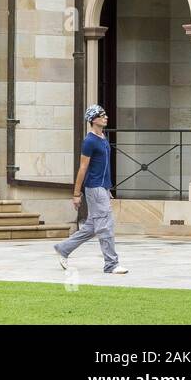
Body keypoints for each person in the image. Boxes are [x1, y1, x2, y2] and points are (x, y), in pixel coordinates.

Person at [55, 105, 127, 274]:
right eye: (102, 115)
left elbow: (104, 167)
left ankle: (63, 248)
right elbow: (83, 168)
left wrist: (107, 188)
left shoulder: (102, 137)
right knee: (106, 226)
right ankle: (111, 264)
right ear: (93, 119)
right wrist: (76, 193)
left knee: (92, 227)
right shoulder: (89, 141)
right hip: (94, 188)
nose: (106, 117)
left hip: (101, 188)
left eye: (105, 114)